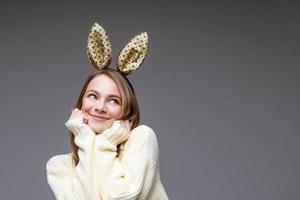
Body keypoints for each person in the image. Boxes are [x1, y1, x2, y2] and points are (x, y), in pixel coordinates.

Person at [46, 23, 169, 200]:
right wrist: (86, 140)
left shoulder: (142, 139)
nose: (100, 107)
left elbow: (122, 197)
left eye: (114, 101)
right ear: (81, 105)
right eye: (93, 96)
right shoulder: (60, 167)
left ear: (127, 112)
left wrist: (105, 144)